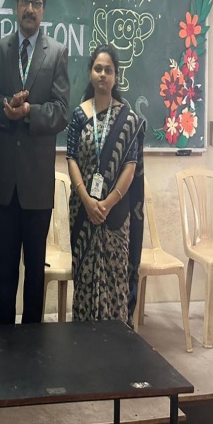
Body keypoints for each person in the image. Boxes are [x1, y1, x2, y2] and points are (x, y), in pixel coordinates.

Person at [0, 0, 70, 324]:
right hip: (6, 181)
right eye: (24, 1)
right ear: (15, 6)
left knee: (34, 269)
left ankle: (32, 346)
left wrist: (30, 111)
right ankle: (3, 340)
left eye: (36, 3)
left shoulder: (57, 53)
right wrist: (5, 110)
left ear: (43, 9)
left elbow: (61, 111)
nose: (29, 9)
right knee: (6, 267)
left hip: (36, 182)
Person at [66, 44, 145, 326]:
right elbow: (71, 158)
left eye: (108, 70)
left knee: (115, 277)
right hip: (83, 211)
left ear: (115, 76)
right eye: (98, 69)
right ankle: (83, 341)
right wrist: (87, 201)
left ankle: (117, 341)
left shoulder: (128, 119)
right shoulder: (79, 115)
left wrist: (107, 203)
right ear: (90, 73)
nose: (102, 74)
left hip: (116, 213)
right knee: (84, 279)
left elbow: (130, 166)